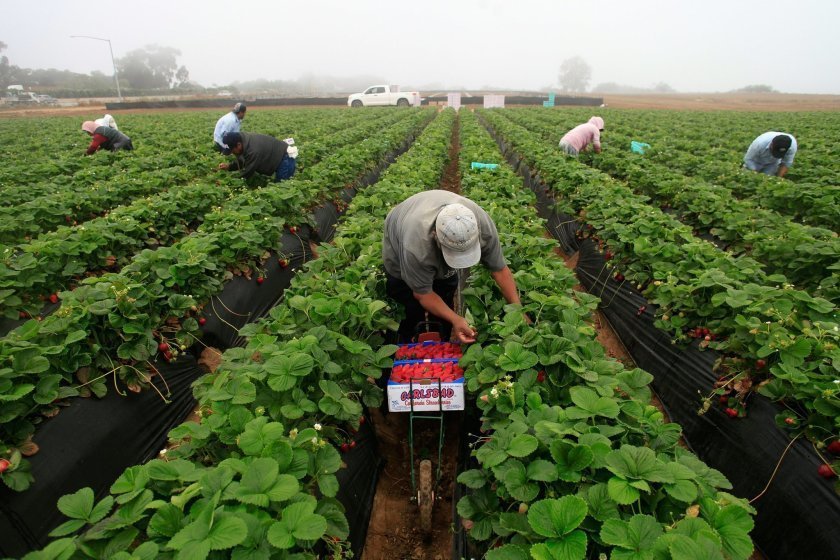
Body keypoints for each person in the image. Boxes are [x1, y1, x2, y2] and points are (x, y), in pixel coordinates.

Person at [382, 190, 525, 344]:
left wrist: (518, 310)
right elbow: (422, 294)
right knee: (409, 306)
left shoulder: (482, 224)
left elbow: (500, 270)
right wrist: (456, 318)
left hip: (426, 222)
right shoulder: (415, 246)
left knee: (445, 292)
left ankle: (441, 341)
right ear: (435, 236)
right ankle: (409, 342)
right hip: (401, 233)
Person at [218, 131, 297, 181]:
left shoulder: (253, 150)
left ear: (238, 145)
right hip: (280, 156)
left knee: (282, 188)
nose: (232, 153)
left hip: (286, 159)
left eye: (232, 150)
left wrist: (229, 183)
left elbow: (247, 172)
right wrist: (229, 167)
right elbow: (244, 160)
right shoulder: (243, 140)